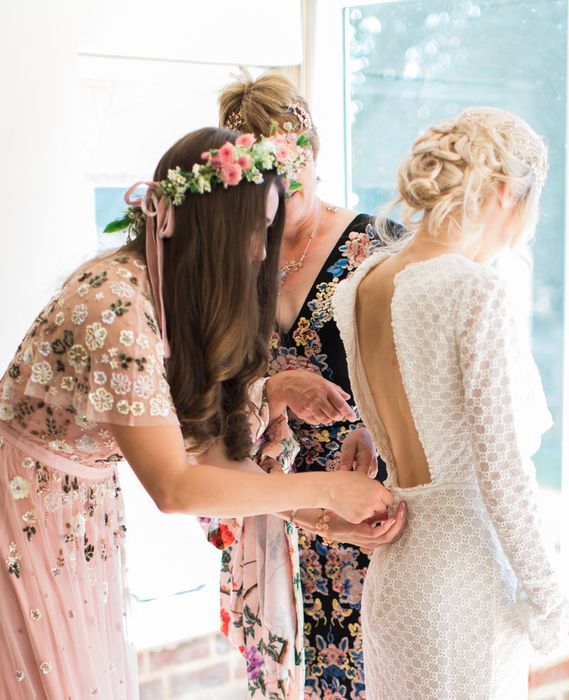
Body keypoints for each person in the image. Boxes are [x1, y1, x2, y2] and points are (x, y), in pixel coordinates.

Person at [0, 126, 392, 700]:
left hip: (80, 507)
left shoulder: (169, 293)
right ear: (206, 227)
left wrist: (315, 514)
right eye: (251, 231)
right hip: (24, 502)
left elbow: (210, 452)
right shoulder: (116, 306)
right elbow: (176, 487)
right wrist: (328, 489)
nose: (261, 250)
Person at [332, 108, 569, 699]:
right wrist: (549, 593)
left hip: (398, 571)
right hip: (467, 573)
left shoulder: (359, 284)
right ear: (501, 194)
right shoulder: (470, 286)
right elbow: (502, 469)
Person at [219, 72, 406, 699]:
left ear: (314, 150)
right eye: (259, 172)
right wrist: (274, 386)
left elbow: (423, 377)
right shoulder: (231, 266)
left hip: (365, 502)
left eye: (289, 163)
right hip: (270, 503)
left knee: (370, 671)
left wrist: (372, 430)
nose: (278, 186)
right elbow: (211, 383)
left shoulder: (378, 247)